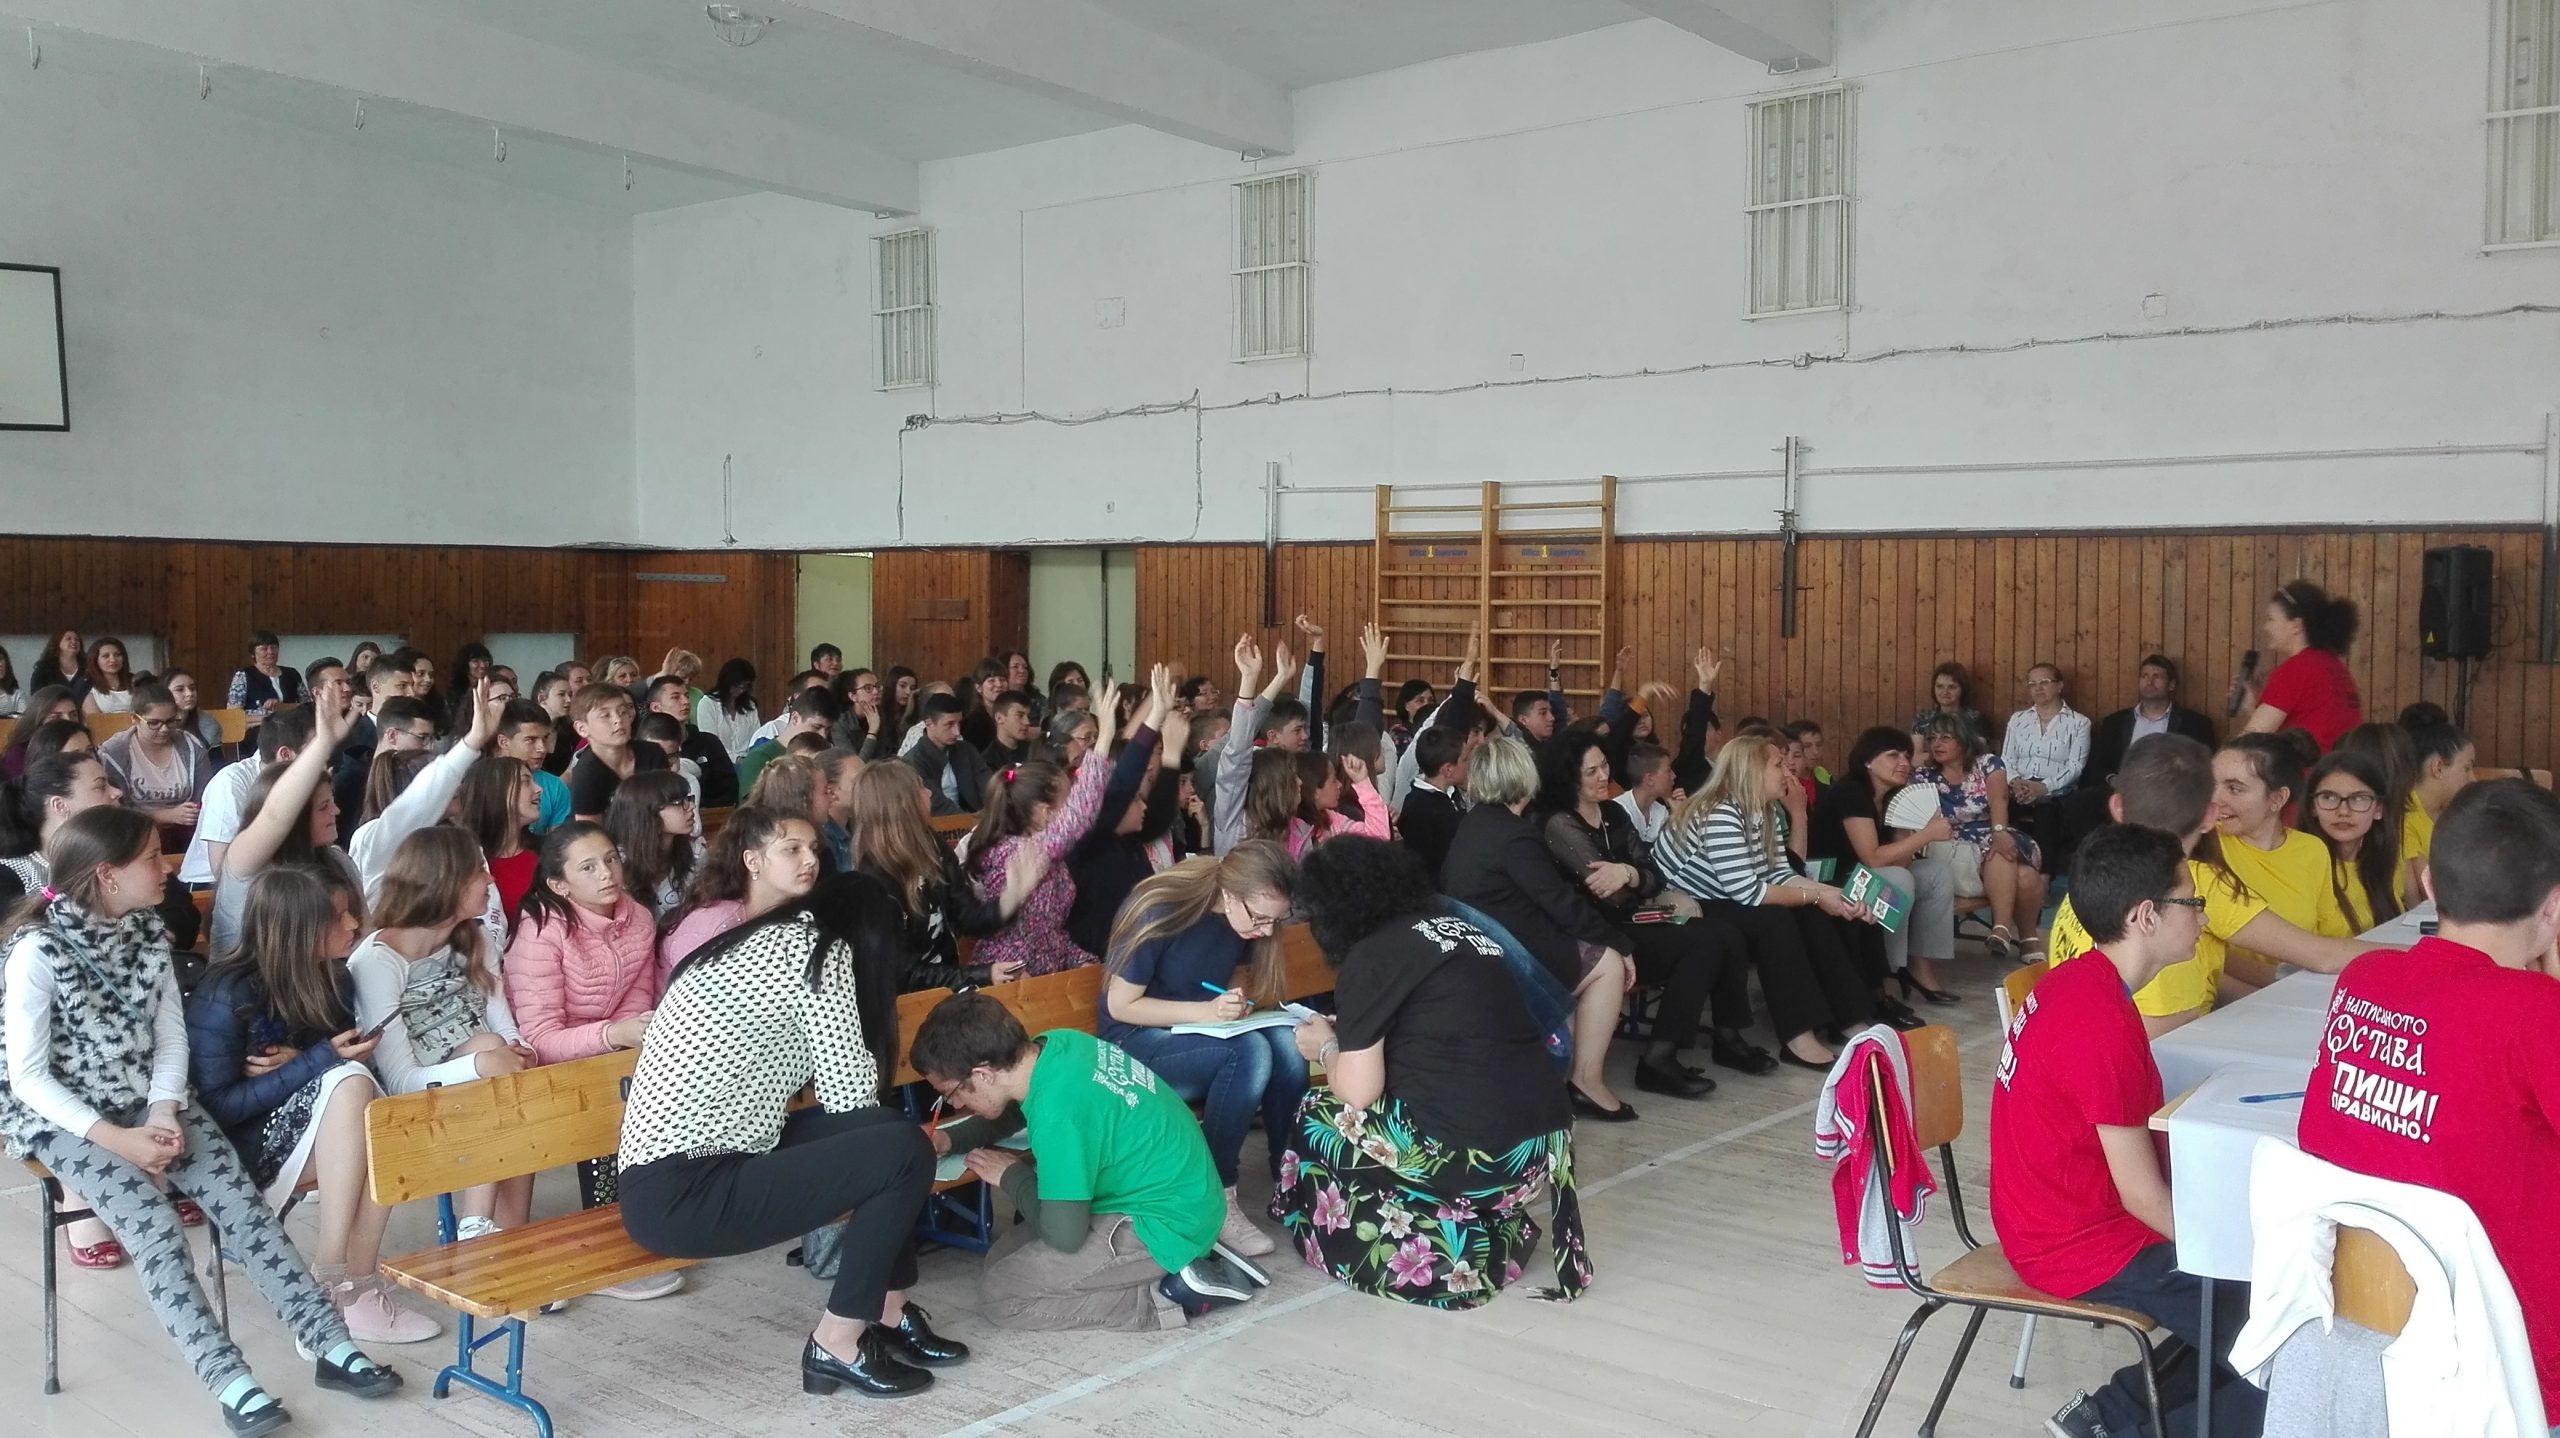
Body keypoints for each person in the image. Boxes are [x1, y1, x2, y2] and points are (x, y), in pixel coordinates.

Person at [1, 808, 405, 1432]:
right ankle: (229, 1380)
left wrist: (163, 1108)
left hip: (151, 1099)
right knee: (156, 1231)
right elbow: (29, 1079)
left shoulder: (147, 933)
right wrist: (120, 1140)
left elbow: (170, 1039)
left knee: (242, 1210)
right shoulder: (36, 951)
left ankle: (329, 1343)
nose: (166, 866)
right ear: (108, 875)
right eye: (150, 857)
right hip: (68, 1119)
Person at [617, 848, 958, 1400]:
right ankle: (837, 1342)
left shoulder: (756, 942)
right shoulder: (817, 950)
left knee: (891, 1135)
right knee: (900, 1150)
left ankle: (889, 1310)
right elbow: (850, 1097)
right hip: (687, 1194)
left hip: (689, 1173)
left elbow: (858, 1115)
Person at [2298, 779, 2560, 1424]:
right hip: (2515, 1354)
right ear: (2553, 905)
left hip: (2371, 1326)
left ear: (2429, 885)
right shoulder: (2535, 1015)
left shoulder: (2364, 978)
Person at [1993, 824, 2265, 1438]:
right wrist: (2232, 1248)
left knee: (2259, 1307)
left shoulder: (2081, 980)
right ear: (2146, 916)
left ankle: (2108, 1417)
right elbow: (2142, 1198)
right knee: (2282, 1336)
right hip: (2075, 1241)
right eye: (2192, 901)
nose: (2203, 917)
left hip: (2054, 1213)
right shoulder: (2101, 1024)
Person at [1272, 837, 1588, 1308]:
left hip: (1478, 1162)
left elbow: (1358, 1090)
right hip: (1541, 1154)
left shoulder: (1373, 954)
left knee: (1319, 1111)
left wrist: (1326, 1047)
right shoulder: (1461, 932)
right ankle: (1478, 1229)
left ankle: (1395, 1241)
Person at [185, 864, 442, 1345]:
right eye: (339, 917)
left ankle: (358, 1289)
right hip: (237, 1152)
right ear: (300, 929)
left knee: (380, 1126)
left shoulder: (335, 979)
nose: (354, 925)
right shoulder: (228, 992)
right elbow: (217, 1110)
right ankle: (332, 1278)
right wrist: (316, 1061)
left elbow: (327, 1072)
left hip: (312, 1132)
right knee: (351, 1083)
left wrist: (306, 1062)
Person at [911, 992, 1255, 1330]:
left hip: (1165, 1221)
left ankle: (1173, 1294)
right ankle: (1174, 1265)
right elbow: (1016, 1109)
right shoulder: (1056, 1045)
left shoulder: (1059, 1117)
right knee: (1002, 1258)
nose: (955, 1106)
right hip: (1178, 1195)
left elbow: (1064, 1235)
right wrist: (952, 1138)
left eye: (950, 1094)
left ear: (984, 1075)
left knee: (1003, 1295)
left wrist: (1011, 1175)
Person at [2042, 735, 2385, 1035]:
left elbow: (2214, 967)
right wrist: (2415, 956)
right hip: (2156, 1056)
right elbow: (2322, 956)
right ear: (2209, 816)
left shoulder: (2095, 869)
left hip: (2079, 1045)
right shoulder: (2193, 884)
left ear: (2118, 807)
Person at [1096, 842, 1305, 1259]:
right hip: (1134, 1040)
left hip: (1196, 1032)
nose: (1266, 931)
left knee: (1288, 1043)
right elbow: (1121, 1005)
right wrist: (1207, 1012)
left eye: (1275, 921)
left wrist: (1236, 1001)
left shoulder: (1243, 917)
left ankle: (1290, 1178)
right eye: (1260, 919)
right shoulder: (1161, 907)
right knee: (1248, 1053)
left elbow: (1230, 975)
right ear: (1230, 894)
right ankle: (1214, 1196)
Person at [1539, 731, 1768, 1083]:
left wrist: (1628, 873)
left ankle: (1727, 1034)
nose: (1604, 775)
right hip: (1599, 934)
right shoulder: (1560, 823)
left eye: (1605, 765)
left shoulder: (1613, 813)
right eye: (1592, 771)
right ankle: (1659, 1057)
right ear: (1569, 778)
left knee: (1727, 933)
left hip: (1632, 918)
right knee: (1703, 943)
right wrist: (1634, 876)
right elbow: (1612, 895)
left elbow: (1653, 876)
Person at [1439, 734, 1646, 1117]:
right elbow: (1561, 904)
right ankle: (1586, 1082)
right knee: (1607, 964)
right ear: (1523, 776)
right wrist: (1621, 944)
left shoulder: (1473, 824)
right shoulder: (1515, 835)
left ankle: (1558, 1079)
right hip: (1508, 956)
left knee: (1581, 951)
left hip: (1481, 948)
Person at [348, 827, 536, 1238]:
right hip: (411, 1104)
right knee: (493, 1057)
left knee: (507, 1071)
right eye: (479, 871)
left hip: (483, 1081)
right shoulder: (378, 961)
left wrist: (520, 1049)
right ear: (445, 882)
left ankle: (508, 1239)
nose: (490, 879)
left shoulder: (476, 937)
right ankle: (478, 1224)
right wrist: (482, 1063)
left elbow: (504, 1023)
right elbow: (399, 1081)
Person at [1657, 731, 1878, 1071]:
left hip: (1723, 896)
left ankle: (1849, 1018)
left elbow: (1779, 874)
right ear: (1751, 772)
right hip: (1686, 905)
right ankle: (1798, 1035)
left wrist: (1830, 895)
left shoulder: (1765, 811)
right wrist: (1817, 894)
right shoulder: (1721, 812)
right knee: (1776, 920)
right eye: (1778, 764)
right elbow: (1749, 891)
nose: (1788, 771)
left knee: (1812, 912)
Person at [1811, 725, 1961, 1003]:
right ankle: (1886, 970)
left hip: (1864, 874)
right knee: (1897, 881)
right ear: (1868, 761)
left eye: (1907, 756)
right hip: (1832, 881)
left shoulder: (1894, 797)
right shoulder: (1851, 792)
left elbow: (1898, 861)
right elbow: (1873, 857)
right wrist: (1925, 835)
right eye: (1893, 755)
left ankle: (1919, 965)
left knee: (1936, 873)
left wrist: (1908, 834)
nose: (1904, 763)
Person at [208, 704, 362, 957]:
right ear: (295, 815)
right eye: (323, 806)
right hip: (254, 981)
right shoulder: (245, 865)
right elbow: (275, 815)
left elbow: (363, 933)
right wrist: (323, 744)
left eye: (332, 802)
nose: (336, 811)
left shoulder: (337, 860)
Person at [2209, 737, 2356, 978]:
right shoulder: (2204, 846)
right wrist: (2282, 979)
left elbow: (2329, 937)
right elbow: (2208, 953)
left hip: (2300, 985)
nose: (2215, 799)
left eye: (2234, 789)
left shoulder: (2311, 850)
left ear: (2277, 799)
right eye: (2211, 784)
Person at [967, 745, 1114, 976]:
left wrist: (1079, 960)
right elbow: (1080, 814)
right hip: (1011, 976)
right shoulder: (1015, 851)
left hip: (1044, 972)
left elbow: (1048, 934)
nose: (1072, 806)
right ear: (1047, 812)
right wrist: (1104, 738)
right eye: (1068, 800)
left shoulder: (1048, 854)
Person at [1912, 716, 2047, 962]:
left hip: (1991, 829)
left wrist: (1999, 830)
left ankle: (2013, 934)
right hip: (1949, 843)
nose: (1936, 744)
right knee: (2023, 874)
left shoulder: (1988, 763)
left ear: (1964, 741)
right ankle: (2012, 933)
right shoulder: (1923, 775)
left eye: (1945, 738)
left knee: (2004, 852)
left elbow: (1998, 799)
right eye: (1932, 738)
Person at [659, 805, 825, 979]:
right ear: (752, 861)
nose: (811, 860)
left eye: (814, 849)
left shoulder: (800, 917)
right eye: (793, 849)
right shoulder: (714, 926)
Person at [2234, 579, 2363, 754]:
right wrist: (2253, 707)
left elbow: (2249, 745)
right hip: (2338, 767)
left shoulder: (2297, 670)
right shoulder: (2335, 667)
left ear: (2296, 625)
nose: (2266, 627)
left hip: (2306, 769)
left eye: (2271, 619)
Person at [2299, 749, 2404, 932]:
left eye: (2358, 798)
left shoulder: (2384, 860)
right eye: (2329, 797)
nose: (2343, 811)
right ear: (2313, 807)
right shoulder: (2301, 865)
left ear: (2378, 809)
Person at [96, 680, 213, 839]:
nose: (164, 729)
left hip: (185, 828)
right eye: (154, 723)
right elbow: (116, 809)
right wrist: (164, 815)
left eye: (170, 721)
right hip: (132, 830)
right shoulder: (114, 753)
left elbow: (204, 797)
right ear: (134, 718)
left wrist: (189, 814)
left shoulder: (193, 747)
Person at [2085, 655, 2218, 794]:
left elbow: (2207, 767)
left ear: (2171, 684)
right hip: (2124, 793)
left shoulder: (2196, 724)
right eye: (2144, 676)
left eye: (2157, 677)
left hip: (2173, 795)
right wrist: (2114, 780)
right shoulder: (2114, 722)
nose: (2149, 682)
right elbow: (2098, 766)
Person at [2001, 663, 2090, 861]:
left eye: (2044, 682)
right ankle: (2001, 865)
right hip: (2018, 789)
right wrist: (2016, 782)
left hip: (2056, 792)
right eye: (2032, 684)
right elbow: (2006, 759)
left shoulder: (2079, 722)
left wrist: (2043, 787)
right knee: (1997, 808)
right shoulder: (2018, 719)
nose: (2038, 688)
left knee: (2047, 814)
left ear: (2060, 686)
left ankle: (2044, 874)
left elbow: (2075, 766)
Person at [2398, 720, 2476, 900]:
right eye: (2467, 768)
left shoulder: (2452, 814)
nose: (2473, 779)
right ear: (2438, 768)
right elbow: (2427, 891)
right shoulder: (2404, 816)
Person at [566, 682, 666, 821]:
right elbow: (590, 831)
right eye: (605, 715)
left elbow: (668, 808)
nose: (618, 720)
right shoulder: (586, 773)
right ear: (582, 729)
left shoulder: (653, 754)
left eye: (623, 712)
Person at [606, 771, 699, 920]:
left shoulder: (695, 851)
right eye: (678, 802)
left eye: (687, 799)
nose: (691, 806)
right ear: (647, 813)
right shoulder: (617, 863)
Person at [738, 685, 839, 797]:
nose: (823, 735)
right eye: (816, 727)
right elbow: (755, 806)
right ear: (795, 718)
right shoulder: (759, 758)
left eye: (828, 729)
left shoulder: (826, 754)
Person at [904, 692, 991, 817]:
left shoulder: (966, 750)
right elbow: (936, 805)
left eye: (959, 723)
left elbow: (987, 785)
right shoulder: (913, 761)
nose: (957, 732)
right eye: (949, 724)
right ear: (929, 724)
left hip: (974, 818)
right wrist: (972, 820)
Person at [226, 630, 307, 721]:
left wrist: (283, 706)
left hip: (291, 726)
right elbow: (234, 714)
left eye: (274, 647)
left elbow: (308, 707)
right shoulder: (243, 675)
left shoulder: (292, 674)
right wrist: (266, 719)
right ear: (253, 653)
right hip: (257, 727)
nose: (270, 652)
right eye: (264, 649)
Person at [1911, 661, 1988, 750]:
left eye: (1951, 687)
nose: (1945, 692)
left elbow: (1978, 753)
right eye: (1940, 686)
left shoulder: (1976, 719)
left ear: (1963, 689)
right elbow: (1916, 756)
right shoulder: (1922, 718)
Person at [695, 659, 762, 761]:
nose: (741, 690)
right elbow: (710, 744)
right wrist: (736, 759)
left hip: (748, 760)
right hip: (719, 761)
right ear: (726, 682)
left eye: (745, 686)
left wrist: (751, 759)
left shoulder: (750, 705)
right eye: (737, 686)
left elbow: (756, 737)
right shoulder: (707, 704)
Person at [162, 667, 223, 750]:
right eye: (180, 689)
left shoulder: (208, 723)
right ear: (164, 692)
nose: (189, 693)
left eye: (192, 688)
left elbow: (216, 757)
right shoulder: (156, 725)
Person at [982, 689, 1041, 772]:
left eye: (1028, 716)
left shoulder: (1034, 750)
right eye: (1020, 716)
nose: (1027, 722)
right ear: (999, 718)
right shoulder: (988, 761)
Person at [80, 636, 136, 715]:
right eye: (106, 656)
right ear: (95, 660)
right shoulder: (86, 684)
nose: (113, 660)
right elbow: (95, 719)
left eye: (117, 655)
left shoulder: (136, 681)